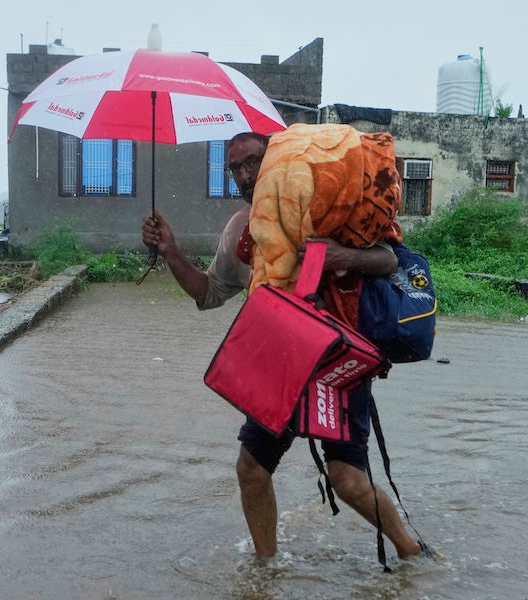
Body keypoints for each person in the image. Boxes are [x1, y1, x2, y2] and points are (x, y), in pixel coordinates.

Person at [141, 132, 425, 560]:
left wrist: (341, 256)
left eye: (251, 162)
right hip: (282, 361)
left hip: (336, 361)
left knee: (346, 479)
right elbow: (209, 292)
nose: (244, 175)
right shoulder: (241, 230)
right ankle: (265, 569)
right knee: (251, 468)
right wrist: (171, 252)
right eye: (234, 168)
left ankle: (411, 551)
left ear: (274, 158)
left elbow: (388, 260)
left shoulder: (321, 210)